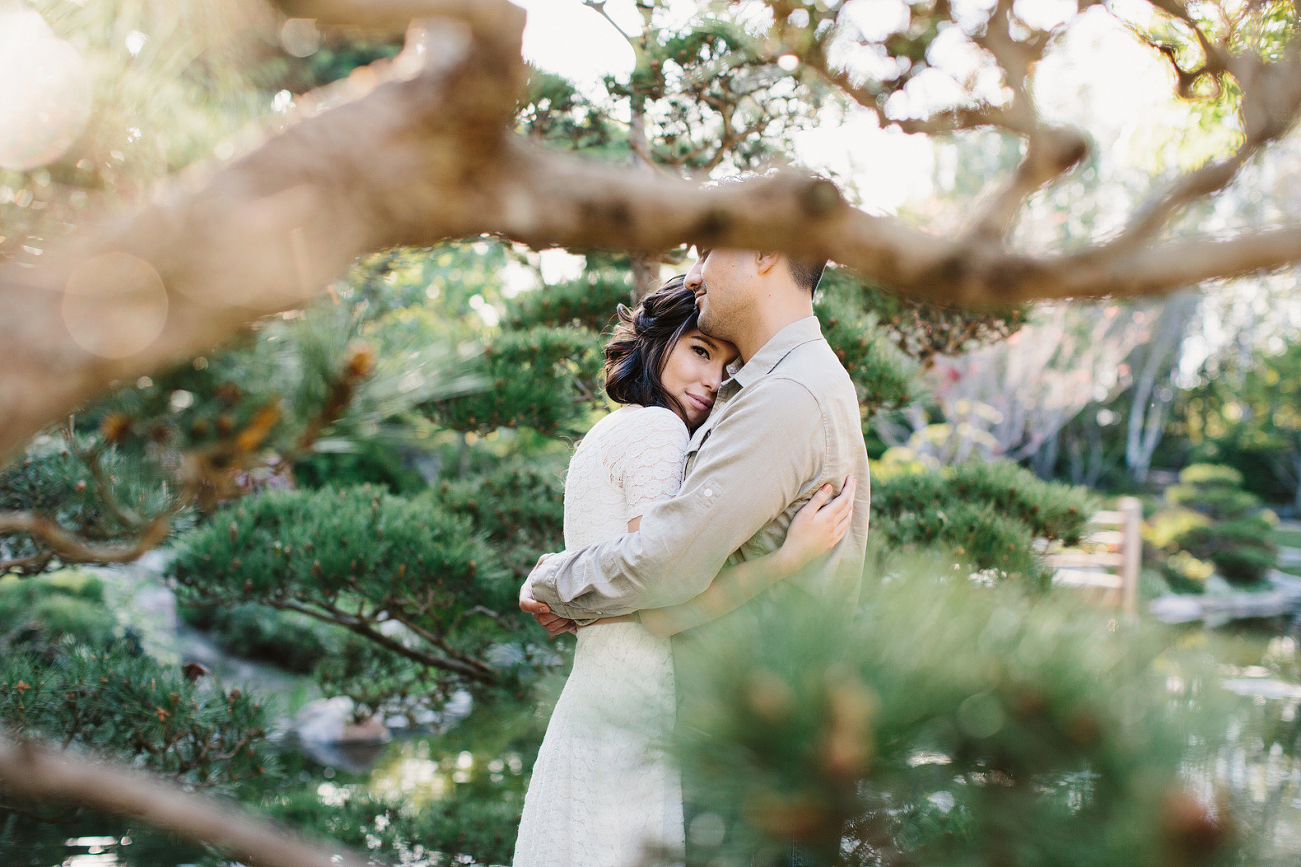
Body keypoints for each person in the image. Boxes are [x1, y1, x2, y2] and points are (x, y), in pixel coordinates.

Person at [519, 242, 871, 863]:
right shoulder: (746, 396)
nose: (698, 270)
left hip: (747, 742)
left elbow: (664, 569)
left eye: (711, 251)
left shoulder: (786, 392)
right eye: (699, 355)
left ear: (764, 253)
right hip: (717, 732)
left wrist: (557, 582)